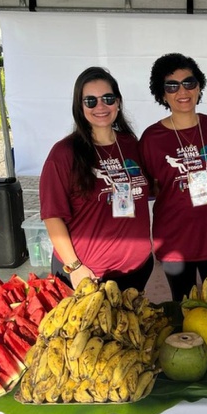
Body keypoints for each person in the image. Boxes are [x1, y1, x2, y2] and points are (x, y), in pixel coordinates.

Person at [40, 66, 153, 291]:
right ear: (80, 106)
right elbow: (52, 216)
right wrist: (75, 267)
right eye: (90, 101)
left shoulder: (131, 144)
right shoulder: (64, 153)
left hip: (137, 270)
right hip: (89, 275)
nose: (100, 106)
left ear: (118, 102)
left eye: (107, 98)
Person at [139, 52, 207, 300]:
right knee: (182, 308)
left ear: (199, 86)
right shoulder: (152, 138)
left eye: (189, 83)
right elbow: (152, 188)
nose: (182, 91)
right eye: (171, 86)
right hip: (175, 242)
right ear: (162, 94)